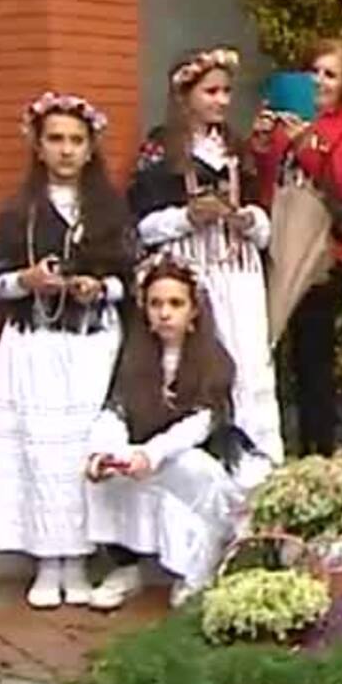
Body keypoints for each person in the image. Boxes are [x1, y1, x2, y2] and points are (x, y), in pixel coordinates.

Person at [0, 93, 134, 609]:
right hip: (37, 344)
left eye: (76, 140)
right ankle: (48, 562)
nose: (67, 150)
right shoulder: (18, 211)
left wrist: (100, 288)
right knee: (40, 449)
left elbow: (128, 278)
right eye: (56, 139)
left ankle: (81, 558)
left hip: (90, 344)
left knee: (81, 448)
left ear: (91, 147)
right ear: (39, 145)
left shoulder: (109, 209)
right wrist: (27, 280)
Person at [84, 258, 271, 606]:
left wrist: (151, 454)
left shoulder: (214, 359)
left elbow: (200, 424)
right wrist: (105, 453)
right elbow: (115, 409)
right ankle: (126, 566)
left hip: (200, 452)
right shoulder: (133, 357)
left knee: (191, 469)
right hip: (146, 452)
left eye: (175, 304)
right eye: (156, 304)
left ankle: (197, 569)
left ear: (194, 311)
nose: (165, 314)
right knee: (112, 476)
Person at [135, 48, 283, 465]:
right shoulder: (161, 150)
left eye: (226, 92)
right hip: (190, 277)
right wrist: (188, 216)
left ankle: (257, 465)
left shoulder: (238, 150)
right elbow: (143, 226)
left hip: (239, 275)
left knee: (249, 365)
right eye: (211, 91)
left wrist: (244, 219)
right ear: (185, 95)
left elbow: (267, 224)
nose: (221, 101)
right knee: (198, 364)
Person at [252, 38, 342, 456]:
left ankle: (318, 450)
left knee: (313, 361)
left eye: (330, 74)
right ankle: (268, 444)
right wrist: (265, 144)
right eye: (315, 71)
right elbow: (267, 183)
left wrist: (309, 144)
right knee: (267, 351)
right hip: (276, 249)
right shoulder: (286, 120)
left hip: (320, 258)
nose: (320, 81)